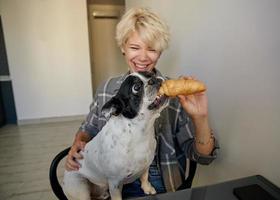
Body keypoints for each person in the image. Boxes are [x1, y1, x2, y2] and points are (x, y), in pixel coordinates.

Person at [65, 7, 219, 198]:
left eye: (152, 49)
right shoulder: (107, 89)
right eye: (135, 47)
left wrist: (200, 117)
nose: (143, 57)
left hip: (160, 182)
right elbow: (88, 129)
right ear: (123, 47)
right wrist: (78, 142)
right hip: (108, 181)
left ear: (160, 52)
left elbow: (202, 157)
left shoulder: (174, 97)